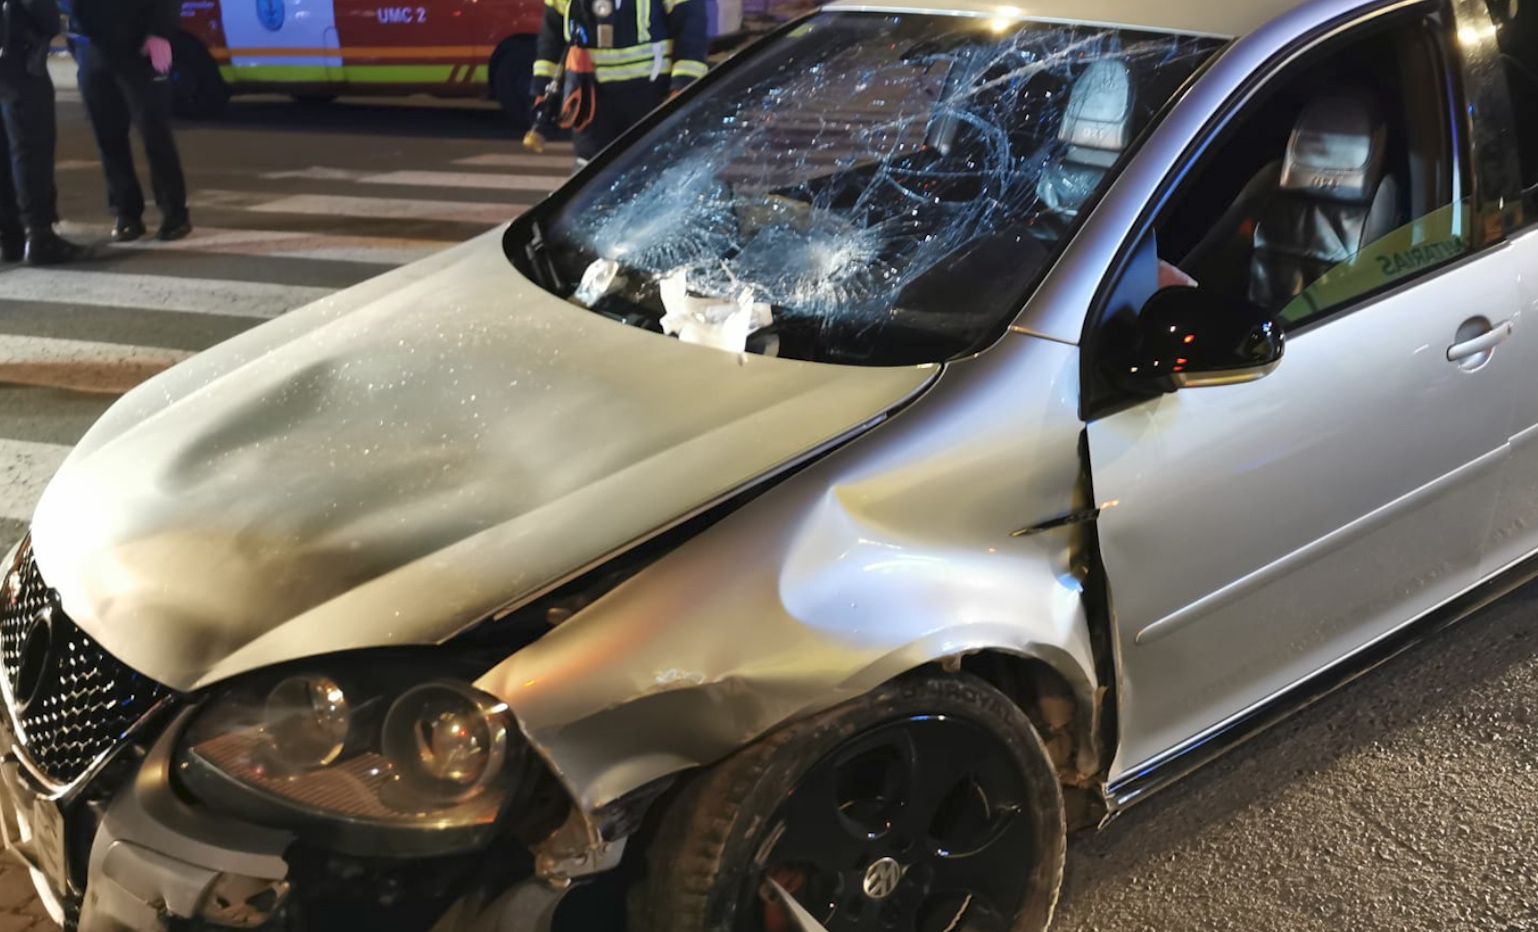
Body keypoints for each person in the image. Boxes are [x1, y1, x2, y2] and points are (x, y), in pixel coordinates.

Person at [62, 0, 190, 242]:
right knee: (108, 136)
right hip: (92, 48)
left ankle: (175, 213)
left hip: (138, 46)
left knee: (154, 133)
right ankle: (125, 212)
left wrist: (159, 32)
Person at [530, 0, 709, 164]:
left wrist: (683, 86)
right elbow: (551, 41)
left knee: (649, 168)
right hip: (591, 100)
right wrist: (543, 89)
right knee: (590, 173)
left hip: (650, 97)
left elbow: (691, 34)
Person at [0, 0, 88, 264]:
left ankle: (10, 236)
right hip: (19, 59)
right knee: (31, 147)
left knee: (5, 150)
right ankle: (39, 236)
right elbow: (43, 14)